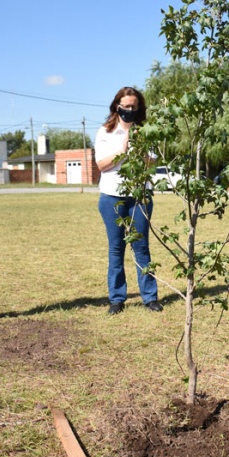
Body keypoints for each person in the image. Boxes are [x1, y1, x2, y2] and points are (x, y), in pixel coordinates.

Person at [95, 87, 163, 315]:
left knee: (141, 247)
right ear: (117, 106)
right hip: (112, 197)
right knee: (116, 249)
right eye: (126, 106)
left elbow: (151, 164)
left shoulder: (145, 131)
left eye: (134, 106)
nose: (129, 110)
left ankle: (150, 297)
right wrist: (122, 152)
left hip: (140, 196)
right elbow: (102, 165)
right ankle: (116, 299)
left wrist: (142, 150)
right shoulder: (105, 132)